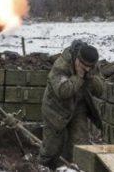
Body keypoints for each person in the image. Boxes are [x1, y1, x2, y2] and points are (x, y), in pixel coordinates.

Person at [39, 40, 104, 169]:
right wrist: (79, 77)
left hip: (78, 107)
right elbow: (63, 92)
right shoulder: (61, 65)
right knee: (51, 149)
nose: (87, 69)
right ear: (78, 60)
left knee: (80, 146)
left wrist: (91, 78)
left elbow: (100, 90)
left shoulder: (90, 66)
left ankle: (75, 168)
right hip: (55, 109)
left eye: (90, 67)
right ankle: (43, 167)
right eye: (84, 66)